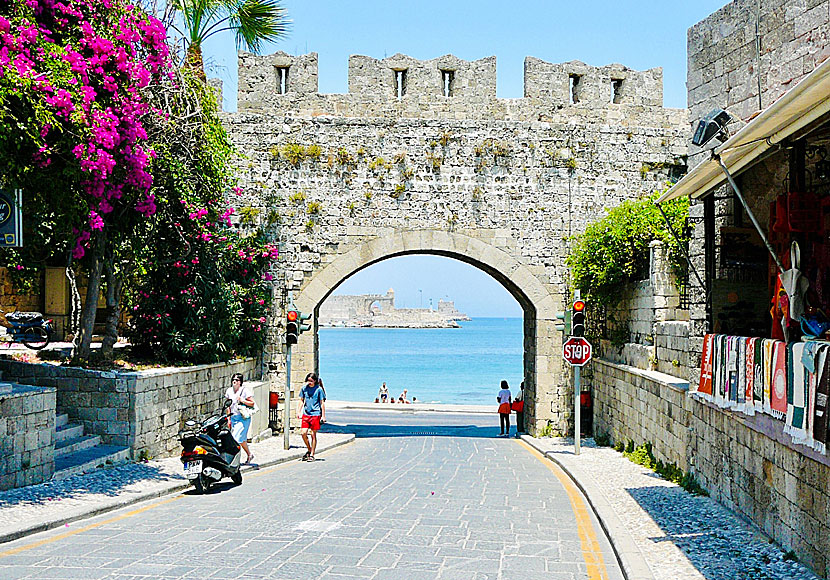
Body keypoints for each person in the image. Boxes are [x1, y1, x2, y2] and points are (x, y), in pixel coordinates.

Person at [225, 373, 255, 463]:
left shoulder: (244, 391)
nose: (234, 381)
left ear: (240, 382)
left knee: (236, 439)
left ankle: (234, 460)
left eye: (237, 380)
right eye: (233, 379)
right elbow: (228, 406)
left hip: (243, 418)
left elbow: (252, 403)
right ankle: (249, 454)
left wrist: (242, 400)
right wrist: (229, 419)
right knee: (241, 439)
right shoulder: (229, 391)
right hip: (234, 417)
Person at [298, 372, 326, 462]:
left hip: (315, 414)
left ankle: (312, 454)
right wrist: (299, 412)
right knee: (303, 433)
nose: (309, 382)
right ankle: (309, 449)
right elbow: (301, 400)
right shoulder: (304, 389)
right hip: (306, 414)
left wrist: (323, 416)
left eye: (311, 381)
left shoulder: (319, 390)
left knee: (313, 434)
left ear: (315, 381)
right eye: (308, 380)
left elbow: (322, 403)